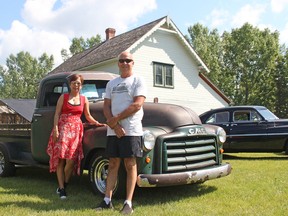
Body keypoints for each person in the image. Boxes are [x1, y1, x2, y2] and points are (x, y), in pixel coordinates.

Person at [95, 51, 147, 214]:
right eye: (122, 61)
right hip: (114, 131)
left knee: (130, 164)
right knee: (113, 164)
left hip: (131, 129)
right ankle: (107, 200)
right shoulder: (112, 84)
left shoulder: (138, 80)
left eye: (128, 60)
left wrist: (115, 120)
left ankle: (128, 203)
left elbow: (137, 105)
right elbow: (106, 106)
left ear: (133, 63)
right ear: (118, 63)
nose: (125, 63)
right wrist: (115, 125)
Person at [46, 74, 105, 199]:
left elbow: (87, 115)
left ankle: (65, 184)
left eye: (78, 83)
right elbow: (57, 114)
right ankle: (62, 189)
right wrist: (55, 128)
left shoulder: (84, 99)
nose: (76, 85)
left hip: (76, 131)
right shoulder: (64, 97)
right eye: (74, 83)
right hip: (62, 128)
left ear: (81, 85)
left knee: (71, 160)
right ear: (70, 84)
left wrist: (96, 123)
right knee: (61, 160)